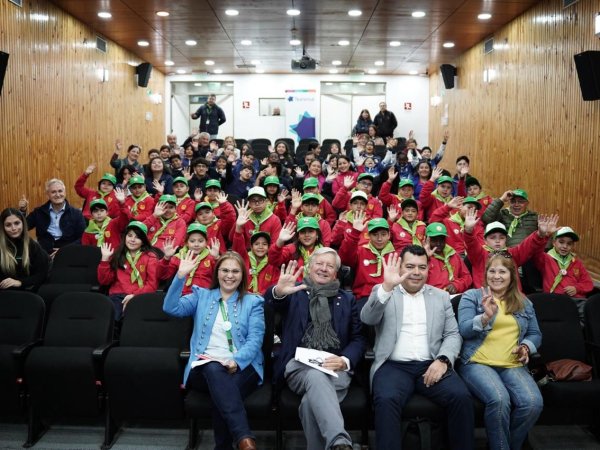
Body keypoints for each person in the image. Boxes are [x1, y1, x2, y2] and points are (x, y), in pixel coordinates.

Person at [361, 246, 475, 450]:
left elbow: (452, 334)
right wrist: (386, 288)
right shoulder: (384, 291)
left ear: (428, 269)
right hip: (393, 366)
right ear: (400, 268)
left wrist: (443, 360)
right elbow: (367, 319)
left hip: (430, 364)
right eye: (410, 266)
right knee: (386, 400)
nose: (416, 272)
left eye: (422, 267)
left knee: (461, 397)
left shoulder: (440, 297)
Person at [265, 252, 366, 450]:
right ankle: (340, 442)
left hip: (335, 367)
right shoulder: (295, 293)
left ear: (335, 273)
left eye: (330, 266)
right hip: (299, 366)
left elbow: (358, 339)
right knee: (315, 375)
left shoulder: (347, 299)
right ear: (310, 267)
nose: (323, 269)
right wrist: (278, 291)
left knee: (309, 404)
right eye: (319, 263)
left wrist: (345, 360)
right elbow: (271, 303)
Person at [163, 251, 264, 450]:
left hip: (243, 366)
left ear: (242, 275)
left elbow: (255, 339)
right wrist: (180, 276)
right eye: (225, 270)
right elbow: (170, 308)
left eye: (235, 271)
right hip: (204, 366)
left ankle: (226, 446)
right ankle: (245, 439)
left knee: (223, 392)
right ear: (217, 273)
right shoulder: (201, 296)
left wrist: (236, 361)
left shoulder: (253, 302)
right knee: (214, 369)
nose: (230, 275)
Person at [457, 254, 543, 450]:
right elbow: (464, 330)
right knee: (499, 399)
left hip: (512, 364)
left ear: (512, 276)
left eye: (502, 271)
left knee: (533, 403)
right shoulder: (472, 296)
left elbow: (535, 333)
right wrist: (485, 318)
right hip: (477, 362)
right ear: (486, 274)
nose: (496, 276)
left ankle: (506, 445)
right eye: (492, 271)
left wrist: (526, 346)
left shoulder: (523, 302)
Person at [464, 212, 557, 289]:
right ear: (485, 240)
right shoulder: (479, 254)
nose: (497, 241)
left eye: (501, 237)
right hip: (486, 299)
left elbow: (529, 245)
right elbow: (471, 243)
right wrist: (468, 230)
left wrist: (540, 234)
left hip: (512, 300)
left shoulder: (512, 254)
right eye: (493, 237)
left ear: (506, 240)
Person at [97, 221, 162, 320]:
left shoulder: (151, 257)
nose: (132, 240)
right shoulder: (118, 254)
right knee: (111, 320)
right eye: (130, 235)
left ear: (143, 241)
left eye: (137, 237)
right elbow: (104, 281)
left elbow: (152, 285)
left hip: (140, 296)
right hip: (117, 296)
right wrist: (104, 260)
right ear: (125, 237)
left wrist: (134, 295)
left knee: (133, 319)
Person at [532, 226, 594, 319]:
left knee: (590, 313)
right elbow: (536, 250)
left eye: (569, 244)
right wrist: (545, 236)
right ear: (554, 243)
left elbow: (588, 283)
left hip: (576, 300)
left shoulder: (576, 263)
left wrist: (576, 288)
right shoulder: (545, 258)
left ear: (572, 246)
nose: (565, 246)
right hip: (555, 299)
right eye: (561, 242)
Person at [339, 215, 397, 310]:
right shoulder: (360, 251)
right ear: (369, 235)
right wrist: (355, 233)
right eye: (375, 235)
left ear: (389, 235)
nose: (379, 239)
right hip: (364, 297)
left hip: (390, 297)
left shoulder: (396, 255)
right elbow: (345, 258)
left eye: (383, 234)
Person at [19, 179, 86, 255]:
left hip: (68, 253)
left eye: (60, 191)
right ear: (47, 195)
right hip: (44, 253)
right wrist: (22, 211)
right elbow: (23, 226)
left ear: (65, 193)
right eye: (53, 192)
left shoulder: (76, 214)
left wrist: (65, 250)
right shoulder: (39, 212)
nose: (57, 195)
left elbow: (83, 237)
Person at [232, 204, 280, 294]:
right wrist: (238, 227)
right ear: (251, 246)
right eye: (256, 244)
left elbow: (275, 286)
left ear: (269, 247)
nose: (260, 247)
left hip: (264, 300)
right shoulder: (244, 259)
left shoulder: (272, 265)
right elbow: (238, 244)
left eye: (264, 244)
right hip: (243, 297)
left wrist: (261, 295)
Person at [159, 223, 221, 294]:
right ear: (186, 243)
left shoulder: (211, 257)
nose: (196, 244)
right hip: (182, 295)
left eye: (200, 241)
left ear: (206, 242)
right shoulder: (178, 257)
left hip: (204, 295)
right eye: (192, 241)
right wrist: (166, 258)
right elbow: (163, 276)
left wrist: (217, 258)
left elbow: (220, 276)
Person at [0, 208, 49, 291]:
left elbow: (41, 275)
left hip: (27, 290)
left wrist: (20, 282)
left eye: (17, 223)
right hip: (5, 291)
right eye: (8, 225)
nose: (13, 228)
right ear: (2, 227)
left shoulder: (33, 245)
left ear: (23, 223)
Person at [424, 222, 473, 294]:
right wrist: (425, 258)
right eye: (434, 240)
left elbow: (467, 277)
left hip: (455, 295)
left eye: (441, 239)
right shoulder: (421, 257)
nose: (438, 243)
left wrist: (457, 285)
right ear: (426, 240)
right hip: (432, 296)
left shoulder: (453, 254)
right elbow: (417, 281)